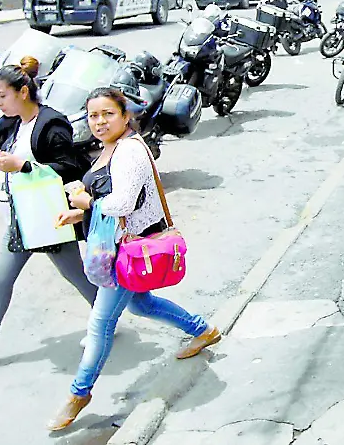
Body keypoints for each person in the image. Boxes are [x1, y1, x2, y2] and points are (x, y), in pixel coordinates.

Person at [48, 87, 220, 431]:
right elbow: (114, 200)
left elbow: (124, 203)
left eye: (107, 114)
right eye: (93, 115)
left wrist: (87, 203)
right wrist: (78, 215)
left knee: (100, 324)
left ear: (125, 116)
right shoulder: (111, 146)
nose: (99, 122)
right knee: (141, 305)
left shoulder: (129, 152)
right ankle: (204, 330)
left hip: (130, 249)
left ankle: (78, 393)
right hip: (119, 247)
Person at [0, 58, 96, 369]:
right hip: (20, 215)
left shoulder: (52, 123)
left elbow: (69, 166)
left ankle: (106, 319)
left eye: (2, 95)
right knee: (4, 278)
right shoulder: (9, 122)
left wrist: (23, 166)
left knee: (72, 273)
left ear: (23, 92)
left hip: (45, 215)